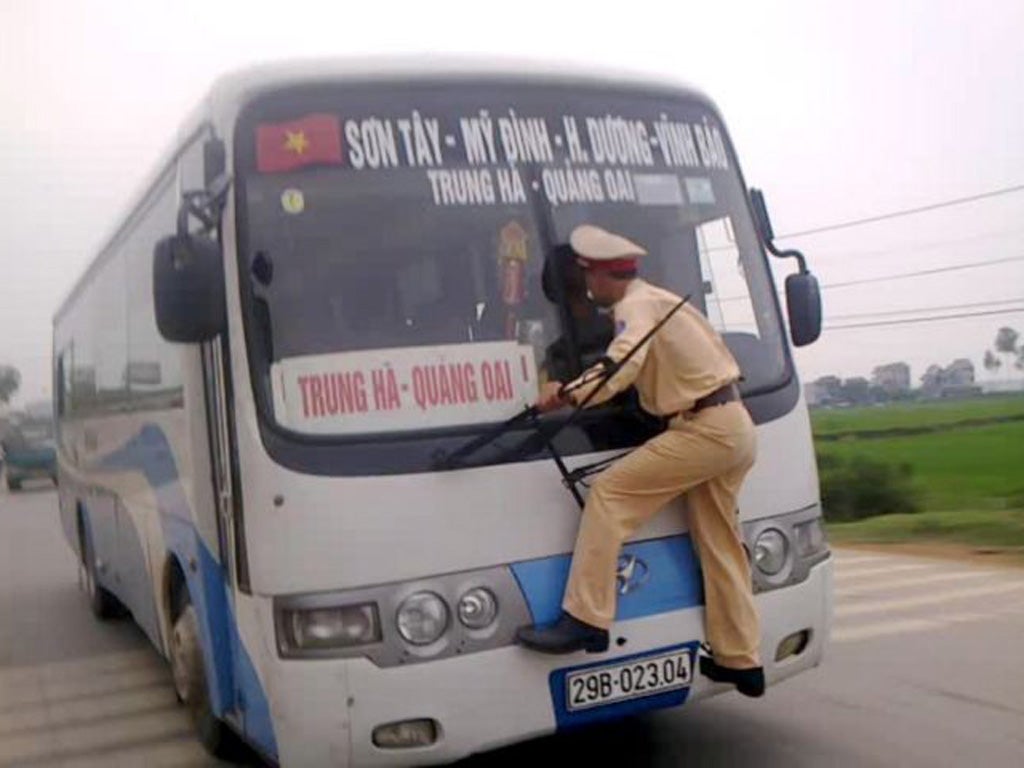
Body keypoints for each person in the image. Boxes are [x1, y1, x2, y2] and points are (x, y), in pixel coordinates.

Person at [515, 224, 765, 698]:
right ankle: (741, 660)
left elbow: (620, 366)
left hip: (704, 426)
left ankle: (586, 619)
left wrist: (564, 396)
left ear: (606, 275)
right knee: (719, 541)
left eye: (588, 276)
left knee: (609, 495)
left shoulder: (633, 307)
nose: (587, 287)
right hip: (734, 423)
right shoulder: (659, 298)